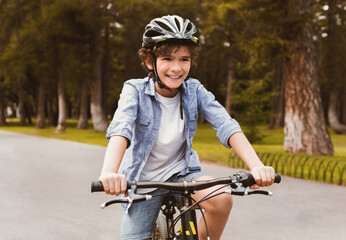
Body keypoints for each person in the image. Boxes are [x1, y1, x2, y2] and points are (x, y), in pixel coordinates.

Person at [99, 15, 276, 240]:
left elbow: (226, 124)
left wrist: (257, 166)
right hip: (144, 182)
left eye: (184, 59)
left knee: (222, 200)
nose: (177, 68)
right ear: (148, 61)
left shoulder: (194, 89)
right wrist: (109, 172)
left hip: (183, 174)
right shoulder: (134, 90)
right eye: (167, 58)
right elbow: (120, 129)